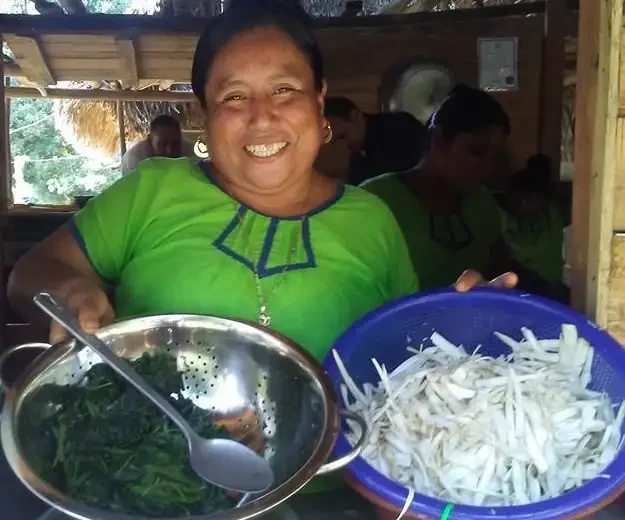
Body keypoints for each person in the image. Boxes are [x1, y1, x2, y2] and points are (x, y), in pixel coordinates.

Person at [7, 0, 516, 511]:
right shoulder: (153, 191)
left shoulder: (372, 219)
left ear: (319, 103)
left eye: (284, 89)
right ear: (205, 113)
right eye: (233, 96)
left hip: (331, 492)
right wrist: (74, 291)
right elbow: (33, 273)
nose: (262, 116)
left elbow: (407, 357)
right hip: (145, 488)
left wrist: (468, 333)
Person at [362, 85, 511, 291]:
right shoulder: (376, 201)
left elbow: (500, 269)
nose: (488, 167)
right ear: (438, 139)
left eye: (495, 157)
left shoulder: (482, 203)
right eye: (476, 151)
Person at [500, 154, 570, 302]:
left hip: (551, 281)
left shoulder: (554, 213)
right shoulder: (507, 220)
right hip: (527, 280)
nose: (526, 205)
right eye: (522, 200)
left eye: (532, 200)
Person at [323, 96, 426, 185]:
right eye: (334, 142)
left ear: (355, 116)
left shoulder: (398, 127)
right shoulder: (357, 153)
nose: (341, 146)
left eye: (342, 136)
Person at [121, 114, 196, 174]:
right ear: (150, 140)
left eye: (175, 144)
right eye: (163, 144)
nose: (169, 151)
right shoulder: (133, 159)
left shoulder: (192, 153)